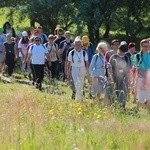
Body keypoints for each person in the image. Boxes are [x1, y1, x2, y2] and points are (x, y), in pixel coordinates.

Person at [108, 42, 130, 108]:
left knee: (123, 92)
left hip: (124, 78)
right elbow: (109, 67)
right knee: (114, 92)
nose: (123, 53)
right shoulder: (114, 57)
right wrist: (110, 77)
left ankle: (122, 106)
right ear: (119, 49)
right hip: (115, 77)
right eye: (121, 51)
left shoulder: (126, 58)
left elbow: (128, 69)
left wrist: (128, 80)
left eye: (124, 51)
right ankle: (113, 106)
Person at [134, 39, 150, 110]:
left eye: (148, 46)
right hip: (140, 77)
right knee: (140, 95)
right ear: (141, 46)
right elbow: (135, 67)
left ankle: (148, 112)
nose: (147, 48)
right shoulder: (137, 56)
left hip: (149, 77)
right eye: (145, 46)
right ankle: (137, 109)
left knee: (149, 95)